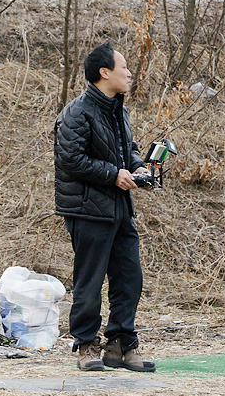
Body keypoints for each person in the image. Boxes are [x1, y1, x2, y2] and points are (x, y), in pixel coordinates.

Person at [53, 42, 155, 373]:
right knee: (90, 281)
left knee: (129, 278)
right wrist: (113, 174)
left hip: (120, 208)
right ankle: (86, 344)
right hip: (87, 210)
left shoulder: (118, 110)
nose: (129, 73)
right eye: (124, 67)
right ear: (104, 72)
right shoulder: (76, 113)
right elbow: (71, 160)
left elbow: (129, 148)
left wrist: (137, 166)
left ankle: (120, 345)